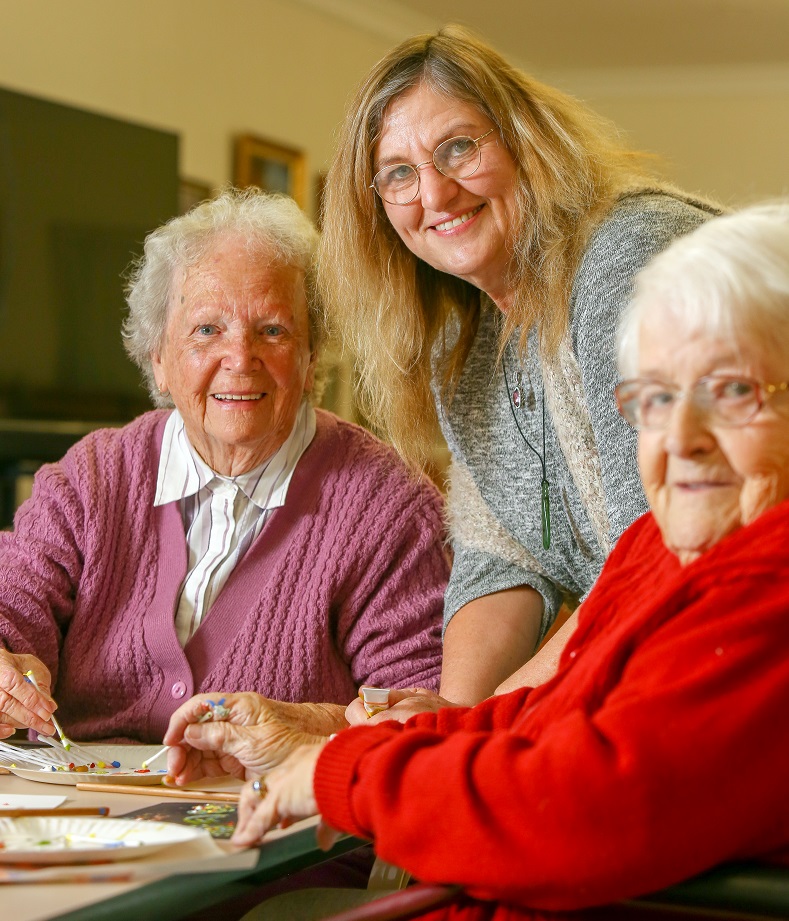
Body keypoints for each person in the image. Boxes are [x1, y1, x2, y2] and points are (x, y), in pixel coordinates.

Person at [171, 201, 789, 920]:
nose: (680, 437)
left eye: (732, 392)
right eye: (654, 397)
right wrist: (329, 743)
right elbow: (535, 722)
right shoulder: (665, 545)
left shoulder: (766, 583)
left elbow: (583, 803)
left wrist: (346, 771)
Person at [318, 24, 721, 710]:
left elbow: (660, 547)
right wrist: (452, 717)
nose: (436, 194)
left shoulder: (629, 259)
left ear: (525, 141)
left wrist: (497, 714)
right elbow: (497, 553)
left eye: (458, 148)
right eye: (399, 174)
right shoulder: (464, 343)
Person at [0, 188, 448, 744]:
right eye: (207, 330)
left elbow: (424, 713)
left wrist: (314, 728)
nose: (240, 359)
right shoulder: (92, 478)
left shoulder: (388, 509)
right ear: (158, 359)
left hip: (270, 816)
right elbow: (12, 598)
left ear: (312, 360)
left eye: (273, 331)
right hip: (74, 819)